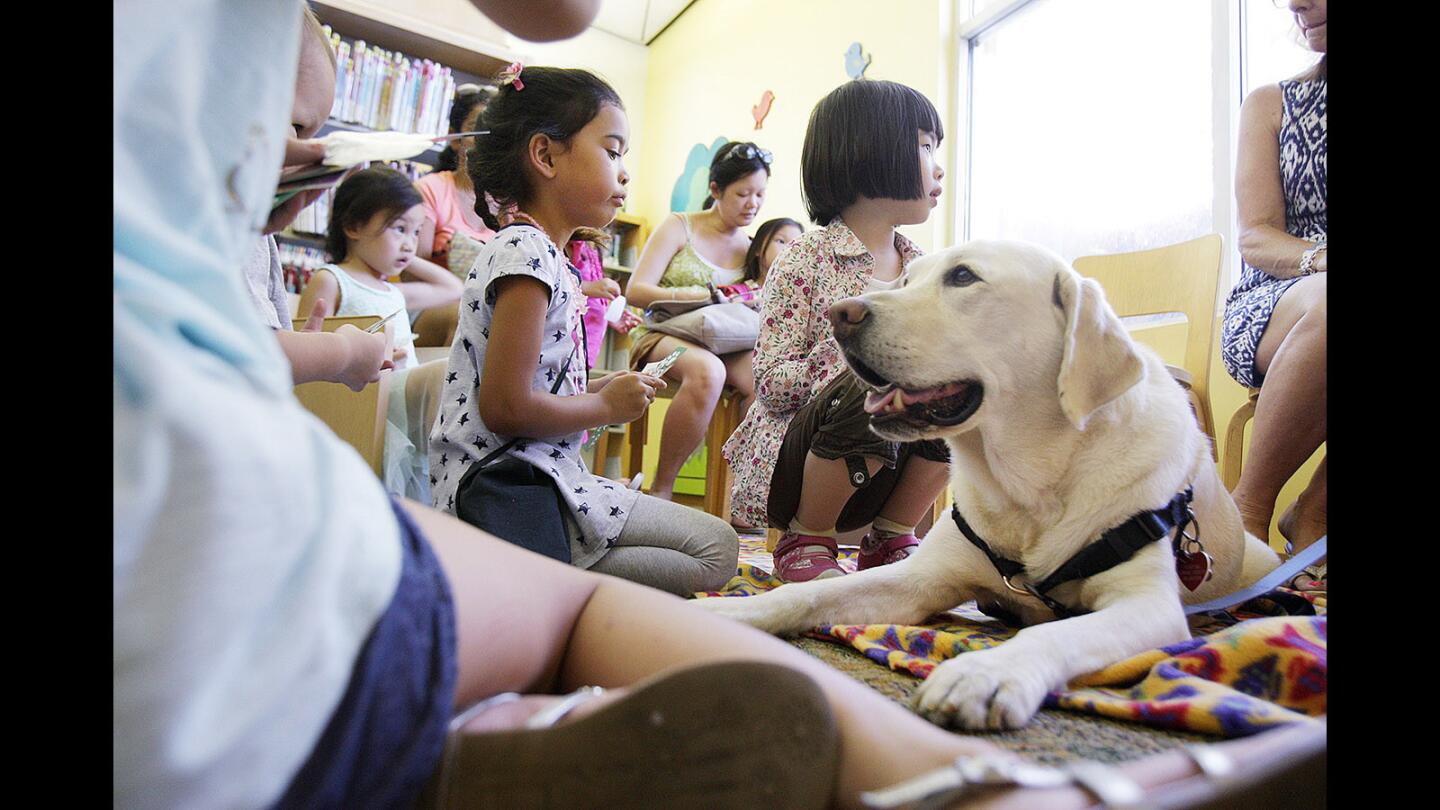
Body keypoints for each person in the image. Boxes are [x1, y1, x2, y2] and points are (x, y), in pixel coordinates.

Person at [115, 2, 1324, 806]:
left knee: (696, 547)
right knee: (646, 538)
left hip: (261, 543)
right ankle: (977, 776)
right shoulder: (736, 264)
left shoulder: (879, 274)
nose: (650, 180)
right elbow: (687, 382)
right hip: (451, 498)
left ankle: (500, 732)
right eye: (621, 153)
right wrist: (638, 388)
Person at [427, 65, 739, 596]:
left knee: (719, 547)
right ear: (546, 156)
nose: (624, 173)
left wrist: (600, 388)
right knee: (713, 553)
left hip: (546, 477)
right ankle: (546, 574)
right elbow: (505, 409)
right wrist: (606, 408)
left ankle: (554, 569)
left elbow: (528, 386)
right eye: (613, 151)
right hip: (510, 484)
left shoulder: (546, 255)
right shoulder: (525, 255)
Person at [723, 80, 951, 583]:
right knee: (870, 373)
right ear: (871, 150)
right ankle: (807, 537)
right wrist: (853, 355)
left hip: (884, 470)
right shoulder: (804, 260)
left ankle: (891, 536)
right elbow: (772, 384)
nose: (938, 166)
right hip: (800, 467)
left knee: (962, 389)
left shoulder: (925, 271)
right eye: (925, 145)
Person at [1221, 0, 1326, 588]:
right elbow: (1255, 237)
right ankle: (1247, 516)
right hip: (1276, 300)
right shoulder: (1273, 104)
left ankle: (1314, 513)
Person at [241, 7, 394, 392]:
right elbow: (232, 352)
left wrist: (301, 354)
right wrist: (340, 353)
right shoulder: (208, 221)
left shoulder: (254, 228)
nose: (307, 151)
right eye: (296, 126)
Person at [622, 141, 771, 501]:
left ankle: (737, 495)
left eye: (760, 194)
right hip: (660, 337)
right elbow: (636, 291)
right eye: (742, 194)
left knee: (765, 379)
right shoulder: (679, 228)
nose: (752, 204)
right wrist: (692, 295)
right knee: (708, 372)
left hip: (725, 340)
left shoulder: (752, 245)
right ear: (716, 190)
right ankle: (662, 489)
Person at [297, 166, 465, 370]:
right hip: (361, 396)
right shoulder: (332, 280)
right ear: (354, 227)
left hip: (398, 396)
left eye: (416, 232)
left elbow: (455, 289)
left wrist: (406, 254)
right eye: (400, 229)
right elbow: (305, 352)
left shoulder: (393, 292)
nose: (410, 243)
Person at [417, 87, 498, 271]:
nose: (485, 140)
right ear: (455, 138)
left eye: (493, 130)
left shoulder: (515, 205)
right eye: (475, 128)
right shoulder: (429, 189)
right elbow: (412, 274)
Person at [569, 237, 641, 369]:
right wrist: (589, 287)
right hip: (568, 347)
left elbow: (591, 299)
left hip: (587, 349)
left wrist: (608, 315)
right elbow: (561, 281)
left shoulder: (594, 247)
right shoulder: (574, 242)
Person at [735, 216, 803, 298]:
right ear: (758, 248)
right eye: (781, 241)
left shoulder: (801, 297)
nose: (789, 249)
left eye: (796, 245)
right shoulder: (737, 294)